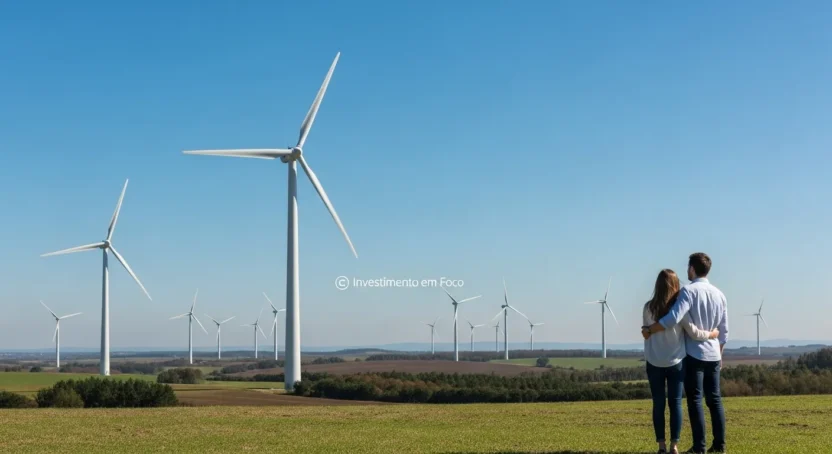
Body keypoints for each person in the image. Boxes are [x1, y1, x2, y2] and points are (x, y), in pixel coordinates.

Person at [643, 253, 729, 454]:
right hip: (714, 354)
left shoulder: (688, 292)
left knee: (695, 400)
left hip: (694, 353)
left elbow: (673, 318)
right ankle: (720, 445)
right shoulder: (720, 294)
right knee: (715, 400)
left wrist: (650, 329)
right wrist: (719, 353)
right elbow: (724, 331)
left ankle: (699, 446)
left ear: (692, 268)